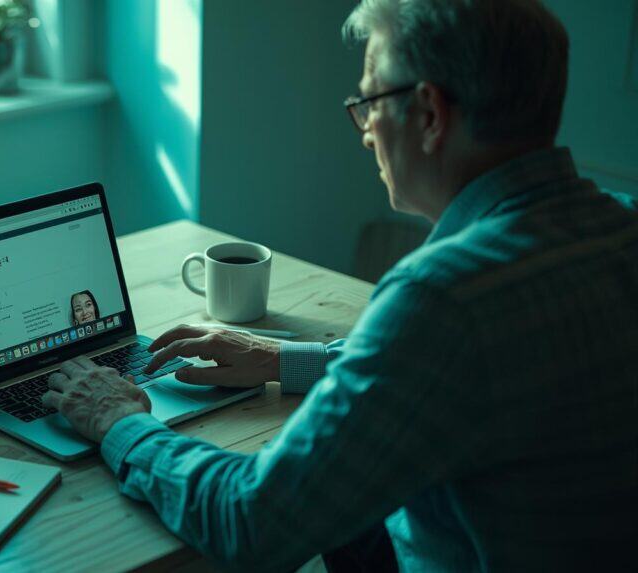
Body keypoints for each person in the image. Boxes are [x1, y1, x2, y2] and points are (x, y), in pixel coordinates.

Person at [41, 0, 637, 570]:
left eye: (371, 100)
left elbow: (251, 523)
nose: (366, 133)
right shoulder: (621, 227)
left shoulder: (443, 297)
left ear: (429, 115)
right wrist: (282, 359)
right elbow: (458, 376)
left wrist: (118, 420)